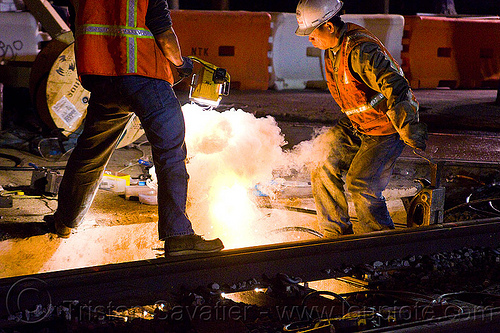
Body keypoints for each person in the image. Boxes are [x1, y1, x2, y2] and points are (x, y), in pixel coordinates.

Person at [46, 0, 224, 256]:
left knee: (91, 153)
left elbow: (79, 30)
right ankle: (179, 236)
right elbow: (164, 35)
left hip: (103, 79)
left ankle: (64, 221)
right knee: (170, 153)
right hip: (145, 76)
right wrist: (181, 64)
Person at [295, 0, 428, 237]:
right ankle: (335, 236)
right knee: (320, 163)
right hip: (358, 124)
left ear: (329, 27)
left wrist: (407, 123)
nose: (309, 39)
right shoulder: (333, 49)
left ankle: (378, 246)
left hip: (384, 129)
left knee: (362, 184)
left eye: (312, 32)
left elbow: (395, 84)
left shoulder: (361, 50)